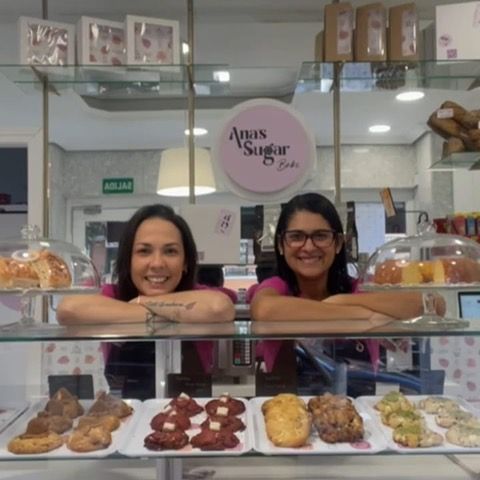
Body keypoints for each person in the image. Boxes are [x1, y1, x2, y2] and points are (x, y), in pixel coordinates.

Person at [249, 192, 445, 391]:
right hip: (286, 409)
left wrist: (341, 300)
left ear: (339, 243)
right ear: (281, 245)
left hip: (358, 409)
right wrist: (365, 316)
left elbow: (435, 305)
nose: (308, 246)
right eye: (296, 237)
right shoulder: (277, 286)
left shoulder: (357, 289)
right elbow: (265, 310)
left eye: (320, 236)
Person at [57, 204, 235, 398]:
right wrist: (169, 315)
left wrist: (143, 301)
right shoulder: (112, 295)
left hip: (194, 416)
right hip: (129, 416)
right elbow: (69, 309)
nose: (157, 263)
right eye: (144, 251)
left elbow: (220, 308)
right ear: (128, 260)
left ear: (185, 262)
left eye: (170, 252)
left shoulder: (200, 294)